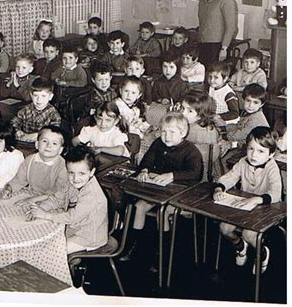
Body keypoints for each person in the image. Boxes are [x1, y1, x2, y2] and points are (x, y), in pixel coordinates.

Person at [120, 112, 202, 262]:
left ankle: (162, 252)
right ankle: (133, 245)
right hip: (158, 190)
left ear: (183, 133)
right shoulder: (158, 143)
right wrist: (144, 170)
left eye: (172, 132)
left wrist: (172, 175)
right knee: (139, 206)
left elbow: (195, 173)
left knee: (162, 213)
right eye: (163, 131)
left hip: (180, 194)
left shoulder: (191, 151)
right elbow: (147, 160)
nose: (166, 136)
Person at [213, 127, 282, 275]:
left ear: (271, 154)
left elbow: (276, 193)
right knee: (224, 229)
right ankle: (240, 247)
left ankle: (262, 253)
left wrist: (256, 200)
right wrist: (220, 187)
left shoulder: (272, 167)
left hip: (266, 209)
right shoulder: (243, 162)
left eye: (260, 151)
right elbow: (230, 177)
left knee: (248, 234)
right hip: (243, 207)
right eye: (251, 149)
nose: (253, 155)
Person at [26, 145, 108, 254]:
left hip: (89, 237)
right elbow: (57, 198)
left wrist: (45, 215)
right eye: (71, 173)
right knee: (40, 238)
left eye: (82, 173)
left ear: (92, 172)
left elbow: (72, 217)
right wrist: (40, 208)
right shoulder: (72, 183)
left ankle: (71, 264)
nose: (75, 179)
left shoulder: (92, 194)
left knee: (50, 251)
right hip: (74, 229)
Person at [0, 126, 68, 201]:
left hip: (54, 199)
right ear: (37, 144)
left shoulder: (63, 166)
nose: (48, 145)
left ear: (60, 150)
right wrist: (9, 188)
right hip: (32, 194)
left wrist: (35, 199)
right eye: (45, 141)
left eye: (54, 143)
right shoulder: (29, 160)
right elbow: (19, 180)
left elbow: (59, 191)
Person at [219, 84, 270, 175]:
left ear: (261, 104)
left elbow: (238, 135)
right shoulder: (247, 113)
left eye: (255, 102)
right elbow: (238, 126)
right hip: (248, 144)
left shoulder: (256, 118)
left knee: (225, 160)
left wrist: (223, 135)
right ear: (243, 100)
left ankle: (231, 183)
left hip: (257, 149)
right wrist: (224, 128)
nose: (250, 105)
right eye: (248, 101)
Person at [198, 0, 238, 66]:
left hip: (218, 46)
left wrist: (224, 48)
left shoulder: (226, 1)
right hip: (202, 44)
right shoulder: (202, 0)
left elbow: (231, 27)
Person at [207, 61, 240, 125]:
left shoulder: (228, 94)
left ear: (225, 79)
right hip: (214, 117)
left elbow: (235, 114)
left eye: (216, 77)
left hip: (227, 122)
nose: (211, 80)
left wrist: (219, 116)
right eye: (210, 77)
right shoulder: (212, 87)